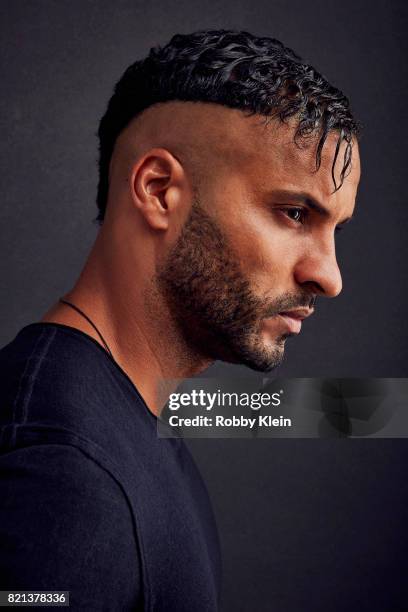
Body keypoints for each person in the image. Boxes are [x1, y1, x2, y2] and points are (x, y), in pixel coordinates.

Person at [0, 29, 360, 610]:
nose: (330, 276)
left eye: (334, 231)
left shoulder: (122, 414)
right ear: (160, 190)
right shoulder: (63, 473)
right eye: (295, 213)